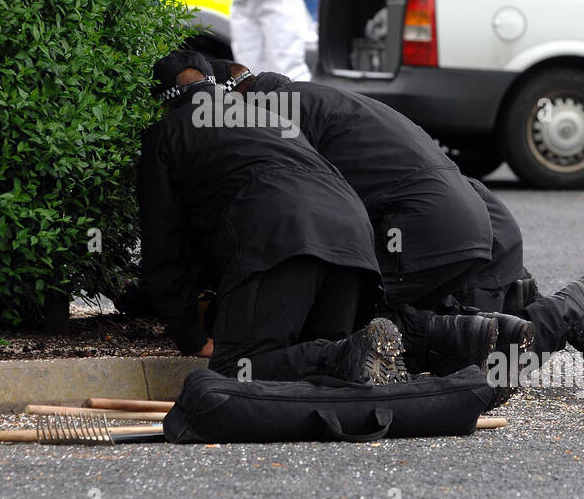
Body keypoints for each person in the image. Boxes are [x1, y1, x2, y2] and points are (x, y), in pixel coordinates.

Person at [213, 62, 584, 382]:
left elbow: (303, 211)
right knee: (473, 343)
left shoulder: (275, 116)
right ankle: (548, 309)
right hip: (475, 223)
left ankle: (562, 313)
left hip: (431, 228)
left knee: (383, 329)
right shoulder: (314, 98)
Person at [136, 50, 408, 385]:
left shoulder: (165, 133)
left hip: (283, 237)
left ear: (163, 102)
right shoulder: (265, 116)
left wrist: (189, 335)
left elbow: (163, 243)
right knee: (327, 376)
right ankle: (346, 355)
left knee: (233, 373)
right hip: (353, 237)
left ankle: (341, 355)